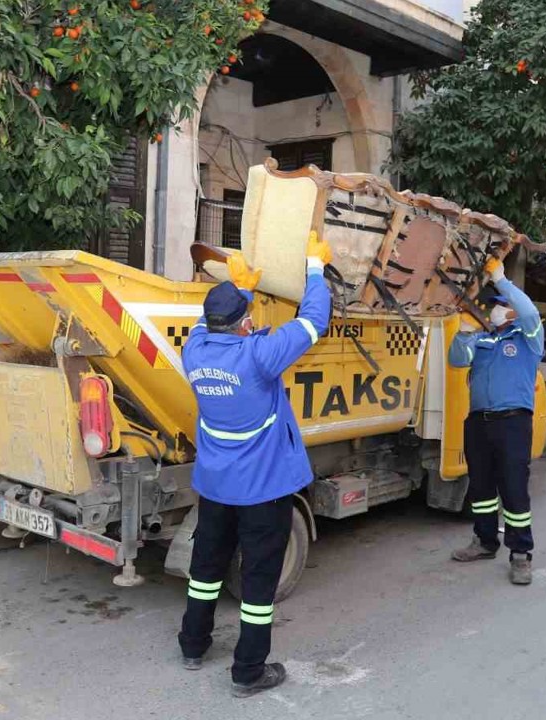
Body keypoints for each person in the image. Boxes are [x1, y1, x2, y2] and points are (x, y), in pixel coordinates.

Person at [177, 231, 332, 698]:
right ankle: (248, 671)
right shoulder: (259, 357)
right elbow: (314, 319)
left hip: (216, 486)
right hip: (262, 491)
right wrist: (314, 268)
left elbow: (212, 323)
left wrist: (240, 291)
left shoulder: (195, 350)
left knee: (206, 568)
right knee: (259, 580)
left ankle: (193, 644)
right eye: (248, 316)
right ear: (245, 325)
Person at [448, 257, 544, 585]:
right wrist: (463, 334)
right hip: (478, 423)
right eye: (492, 306)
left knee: (514, 490)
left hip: (513, 423)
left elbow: (530, 313)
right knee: (482, 488)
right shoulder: (483, 340)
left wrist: (503, 282)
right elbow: (457, 360)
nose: (494, 310)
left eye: (499, 305)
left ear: (510, 307)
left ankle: (520, 554)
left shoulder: (528, 338)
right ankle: (485, 541)